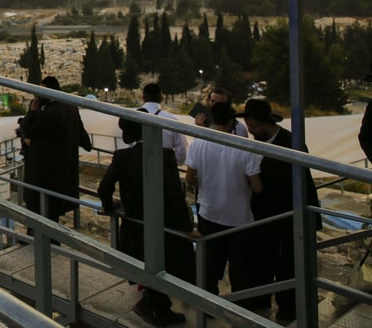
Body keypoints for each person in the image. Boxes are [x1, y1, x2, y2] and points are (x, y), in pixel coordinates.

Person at [97, 117, 193, 326]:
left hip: (135, 224)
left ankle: (155, 306)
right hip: (164, 224)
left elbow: (104, 188)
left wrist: (109, 205)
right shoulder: (165, 155)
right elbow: (175, 195)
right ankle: (157, 308)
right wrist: (186, 226)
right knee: (167, 265)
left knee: (148, 266)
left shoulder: (122, 156)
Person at [239, 98, 319, 323]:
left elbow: (297, 186)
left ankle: (288, 309)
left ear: (265, 123)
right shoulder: (259, 142)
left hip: (287, 218)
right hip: (264, 219)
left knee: (287, 266)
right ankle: (260, 301)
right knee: (262, 262)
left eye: (253, 127)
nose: (251, 132)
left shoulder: (292, 144)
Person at [184, 102, 262, 305]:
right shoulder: (244, 147)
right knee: (240, 267)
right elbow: (256, 187)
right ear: (230, 123)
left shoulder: (199, 143)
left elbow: (190, 178)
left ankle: (208, 304)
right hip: (239, 217)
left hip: (208, 212)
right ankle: (240, 307)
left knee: (209, 264)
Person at [18, 76, 93, 223]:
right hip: (63, 173)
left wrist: (32, 112)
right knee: (53, 215)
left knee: (39, 214)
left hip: (42, 174)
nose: (37, 96)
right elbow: (82, 136)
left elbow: (27, 130)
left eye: (40, 92)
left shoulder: (46, 113)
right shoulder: (71, 108)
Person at [138, 83, 187, 165]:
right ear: (161, 98)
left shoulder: (132, 116)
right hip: (164, 168)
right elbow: (182, 150)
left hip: (138, 166)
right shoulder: (171, 120)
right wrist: (176, 162)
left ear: (143, 97)